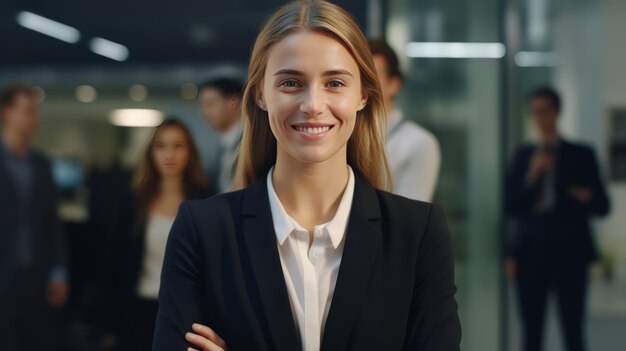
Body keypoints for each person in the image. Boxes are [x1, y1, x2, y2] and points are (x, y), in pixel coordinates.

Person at [154, 1, 461, 350]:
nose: (313, 104)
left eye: (334, 82)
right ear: (260, 93)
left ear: (362, 95)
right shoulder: (202, 232)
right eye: (290, 82)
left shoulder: (417, 232)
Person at [506, 87, 610, 351]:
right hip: (531, 253)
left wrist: (581, 194)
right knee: (531, 332)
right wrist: (531, 176)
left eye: (545, 111)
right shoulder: (523, 156)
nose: (540, 118)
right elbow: (511, 206)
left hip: (570, 253)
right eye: (534, 112)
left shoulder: (580, 154)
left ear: (557, 112)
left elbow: (602, 205)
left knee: (573, 329)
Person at [106, 119, 209, 351]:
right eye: (161, 146)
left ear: (190, 151)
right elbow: (116, 265)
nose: (169, 155)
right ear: (151, 152)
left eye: (178, 146)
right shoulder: (134, 201)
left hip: (187, 313)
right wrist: (110, 324)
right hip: (139, 307)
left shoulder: (205, 202)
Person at [0, 84, 69, 351]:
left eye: (35, 112)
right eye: (28, 111)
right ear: (7, 113)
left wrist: (58, 272)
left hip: (36, 275)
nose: (34, 118)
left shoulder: (42, 164)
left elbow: (53, 224)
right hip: (4, 274)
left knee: (37, 340)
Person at [369, 38, 441, 201]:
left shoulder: (419, 143)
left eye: (371, 77)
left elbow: (408, 220)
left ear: (394, 84)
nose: (362, 86)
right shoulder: (341, 135)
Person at [199, 77, 244, 193]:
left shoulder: (252, 142)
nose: (204, 113)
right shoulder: (221, 147)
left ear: (234, 101)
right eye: (202, 105)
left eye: (210, 103)